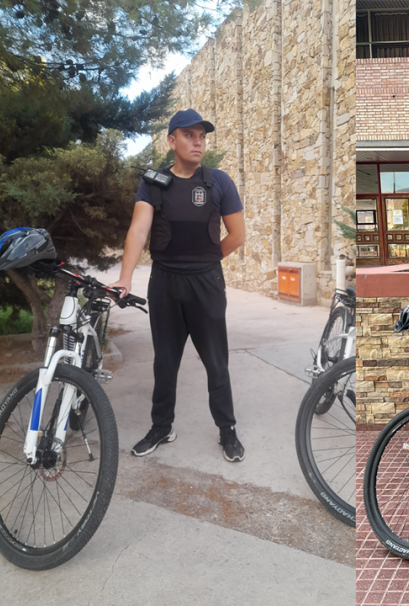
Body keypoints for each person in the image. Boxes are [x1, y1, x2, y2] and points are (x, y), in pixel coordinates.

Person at [110, 109, 248, 462]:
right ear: (171, 141)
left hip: (206, 283)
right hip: (165, 282)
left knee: (216, 362)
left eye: (202, 135)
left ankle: (227, 430)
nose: (198, 141)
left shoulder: (219, 182)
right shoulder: (153, 183)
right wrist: (125, 277)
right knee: (165, 362)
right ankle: (161, 427)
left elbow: (238, 235)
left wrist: (206, 259)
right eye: (189, 135)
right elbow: (139, 231)